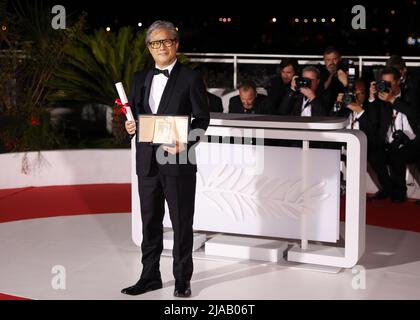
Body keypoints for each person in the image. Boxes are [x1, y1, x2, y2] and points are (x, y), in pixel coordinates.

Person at [122, 20, 210, 297]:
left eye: (167, 41)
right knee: (150, 221)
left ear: (176, 44)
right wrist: (130, 126)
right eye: (155, 43)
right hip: (147, 160)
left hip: (177, 161)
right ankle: (150, 277)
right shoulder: (139, 78)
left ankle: (182, 280)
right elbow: (137, 116)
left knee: (182, 222)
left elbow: (202, 118)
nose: (161, 47)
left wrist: (186, 141)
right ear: (149, 48)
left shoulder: (190, 78)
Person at [368, 67, 420, 203]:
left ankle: (400, 192)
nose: (386, 86)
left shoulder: (410, 94)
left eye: (389, 83)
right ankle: (387, 188)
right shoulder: (381, 97)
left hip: (412, 142)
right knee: (374, 155)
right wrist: (372, 98)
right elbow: (373, 119)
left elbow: (414, 113)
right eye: (383, 82)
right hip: (389, 141)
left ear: (398, 81)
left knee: (397, 156)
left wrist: (393, 100)